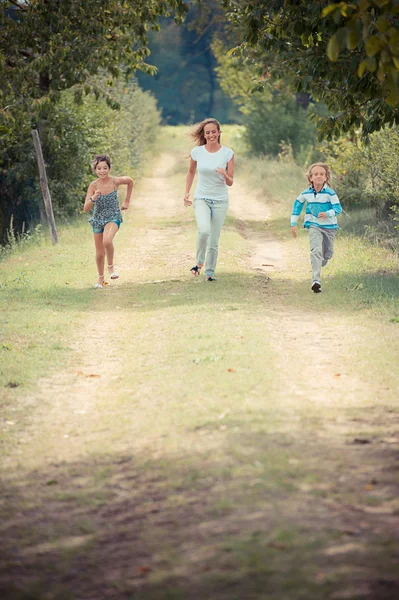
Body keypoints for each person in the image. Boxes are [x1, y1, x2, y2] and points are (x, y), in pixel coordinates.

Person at [183, 118, 234, 281]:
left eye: (214, 132)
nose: (211, 135)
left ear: (219, 133)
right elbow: (191, 172)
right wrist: (186, 192)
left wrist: (225, 174)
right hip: (202, 198)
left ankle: (210, 273)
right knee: (204, 230)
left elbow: (230, 182)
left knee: (214, 240)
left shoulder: (228, 153)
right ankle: (198, 263)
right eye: (208, 132)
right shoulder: (197, 152)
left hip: (220, 201)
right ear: (204, 135)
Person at [291, 162, 342, 293]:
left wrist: (328, 213)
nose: (319, 176)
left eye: (322, 174)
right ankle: (316, 281)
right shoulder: (306, 193)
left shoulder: (330, 193)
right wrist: (293, 223)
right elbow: (297, 205)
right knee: (315, 251)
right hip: (314, 225)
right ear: (310, 177)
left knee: (328, 254)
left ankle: (321, 262)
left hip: (330, 227)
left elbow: (338, 208)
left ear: (326, 177)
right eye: (315, 174)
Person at [84, 154, 133, 288]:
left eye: (105, 168)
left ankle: (111, 267)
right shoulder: (93, 185)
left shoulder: (114, 181)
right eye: (99, 168)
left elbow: (130, 181)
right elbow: (85, 208)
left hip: (113, 216)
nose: (102, 171)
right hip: (98, 219)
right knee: (99, 253)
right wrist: (93, 198)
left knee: (107, 240)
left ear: (109, 168)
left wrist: (127, 201)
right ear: (95, 170)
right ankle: (100, 279)